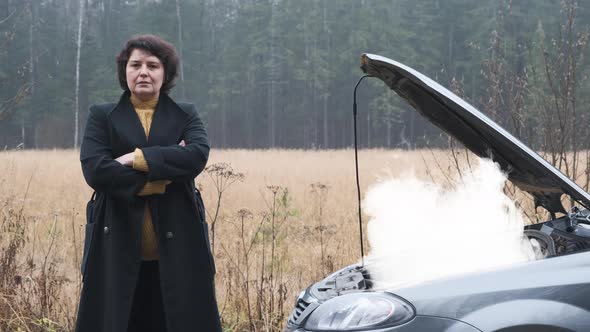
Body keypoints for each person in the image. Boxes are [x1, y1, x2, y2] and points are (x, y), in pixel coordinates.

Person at [76, 34, 221, 332]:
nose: (144, 72)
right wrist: (160, 175)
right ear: (124, 71)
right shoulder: (101, 116)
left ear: (164, 73)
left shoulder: (186, 114)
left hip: (180, 250)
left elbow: (196, 157)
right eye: (136, 64)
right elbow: (96, 170)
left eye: (153, 65)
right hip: (114, 250)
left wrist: (134, 158)